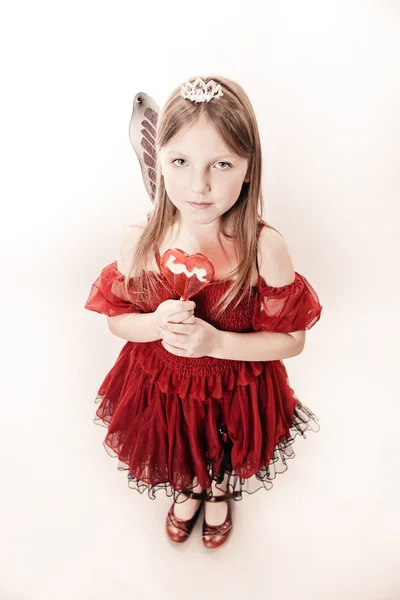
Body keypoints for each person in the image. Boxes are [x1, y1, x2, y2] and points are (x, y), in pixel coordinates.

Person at [84, 75, 323, 549]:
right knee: (181, 444)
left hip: (235, 386)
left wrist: (217, 342)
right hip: (165, 386)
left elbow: (292, 340)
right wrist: (153, 325)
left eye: (221, 164)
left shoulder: (263, 248)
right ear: (158, 161)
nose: (200, 185)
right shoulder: (141, 240)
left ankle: (217, 491)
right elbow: (117, 320)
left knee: (227, 447)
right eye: (181, 161)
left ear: (249, 167)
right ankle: (189, 488)